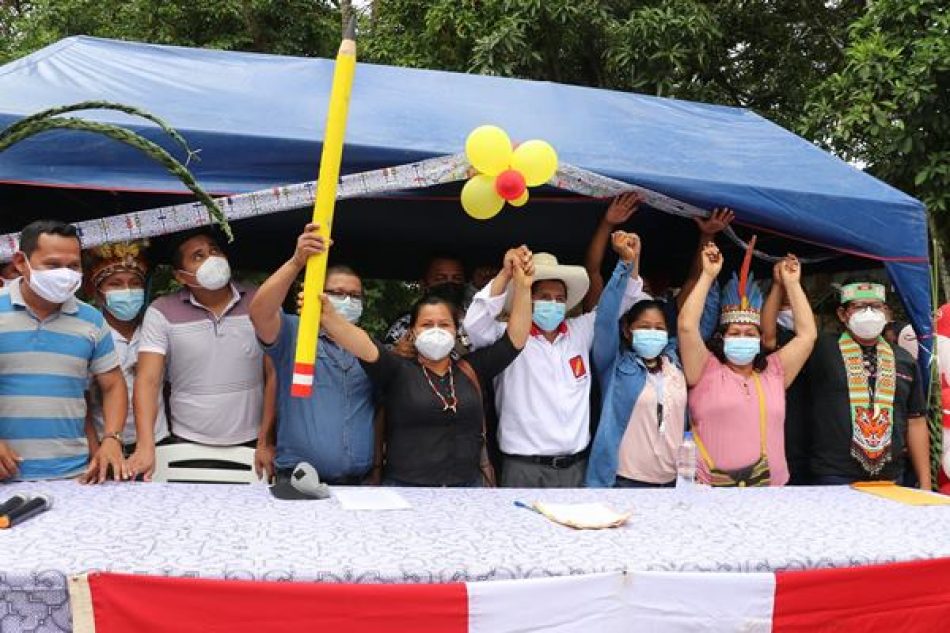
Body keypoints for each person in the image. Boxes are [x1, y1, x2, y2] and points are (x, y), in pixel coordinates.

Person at [320, 247, 534, 487]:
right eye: (426, 324)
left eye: (444, 324)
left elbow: (515, 340)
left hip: (467, 492)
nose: (435, 330)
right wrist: (330, 317)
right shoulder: (396, 369)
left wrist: (522, 286)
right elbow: (362, 343)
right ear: (412, 331)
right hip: (406, 491)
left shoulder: (471, 368)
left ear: (456, 331)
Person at [465, 237, 647, 488]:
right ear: (528, 298)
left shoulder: (581, 330)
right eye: (545, 296)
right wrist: (506, 275)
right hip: (522, 468)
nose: (553, 303)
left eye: (559, 298)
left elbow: (621, 303)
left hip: (576, 466)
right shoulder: (505, 336)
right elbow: (474, 324)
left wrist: (631, 260)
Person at [131, 228, 275, 479]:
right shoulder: (162, 311)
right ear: (180, 276)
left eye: (214, 250)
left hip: (253, 444)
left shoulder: (258, 300)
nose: (211, 259)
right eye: (198, 256)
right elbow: (148, 380)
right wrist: (146, 445)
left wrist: (267, 440)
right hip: (186, 442)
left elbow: (274, 372)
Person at [678, 240, 816, 486]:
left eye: (750, 334)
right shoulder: (705, 370)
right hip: (709, 490)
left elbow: (807, 335)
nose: (742, 337)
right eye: (735, 332)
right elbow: (687, 326)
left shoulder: (774, 372)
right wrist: (707, 276)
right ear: (722, 338)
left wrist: (792, 285)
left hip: (770, 490)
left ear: (760, 340)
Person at [0, 220, 128, 483]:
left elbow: (113, 384)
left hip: (73, 476)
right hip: (5, 475)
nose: (65, 274)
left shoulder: (91, 319)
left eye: (73, 266)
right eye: (53, 265)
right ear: (21, 262)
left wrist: (112, 439)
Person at [249, 223, 375, 484]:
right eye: (337, 293)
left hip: (358, 484)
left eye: (355, 296)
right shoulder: (294, 332)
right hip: (299, 480)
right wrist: (297, 262)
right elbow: (260, 312)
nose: (347, 301)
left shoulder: (367, 347)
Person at [802, 281, 930, 488]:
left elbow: (915, 421)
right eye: (860, 307)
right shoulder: (823, 350)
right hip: (834, 476)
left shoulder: (904, 359)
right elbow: (802, 332)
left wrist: (925, 484)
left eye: (876, 306)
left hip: (890, 477)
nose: (869, 312)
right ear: (843, 314)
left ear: (887, 313)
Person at [586, 232, 687, 487]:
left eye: (658, 328)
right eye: (644, 327)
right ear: (627, 331)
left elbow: (696, 324)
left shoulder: (675, 363)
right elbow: (606, 318)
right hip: (626, 483)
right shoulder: (615, 366)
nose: (652, 333)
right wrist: (625, 264)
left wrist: (708, 273)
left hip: (675, 485)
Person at [83, 240, 169, 458]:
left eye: (134, 283)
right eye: (115, 284)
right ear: (97, 292)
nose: (127, 291)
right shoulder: (89, 334)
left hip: (157, 442)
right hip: (105, 444)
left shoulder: (157, 330)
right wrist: (96, 451)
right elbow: (81, 402)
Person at [761, 262, 811, 485]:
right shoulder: (772, 338)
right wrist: (779, 284)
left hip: (804, 419)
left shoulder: (813, 337)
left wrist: (793, 284)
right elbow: (767, 337)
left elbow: (808, 332)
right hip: (779, 414)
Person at [383, 255, 470, 353]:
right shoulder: (406, 323)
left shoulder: (477, 320)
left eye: (456, 278)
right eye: (440, 278)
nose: (449, 283)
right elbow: (384, 360)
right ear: (424, 284)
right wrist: (398, 352)